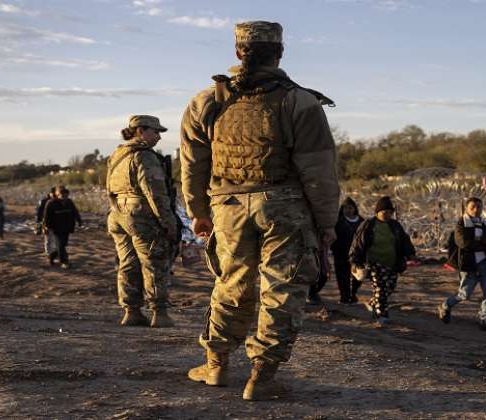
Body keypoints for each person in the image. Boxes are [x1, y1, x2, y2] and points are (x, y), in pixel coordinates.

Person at [180, 21, 339, 401]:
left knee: (231, 283)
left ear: (238, 52)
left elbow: (192, 164)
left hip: (228, 207)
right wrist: (327, 223)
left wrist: (198, 211)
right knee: (282, 290)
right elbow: (319, 172)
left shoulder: (207, 101)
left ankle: (216, 365)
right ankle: (261, 377)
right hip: (284, 208)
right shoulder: (299, 101)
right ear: (279, 52)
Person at [107, 115, 179, 329]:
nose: (158, 137)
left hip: (118, 214)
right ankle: (160, 313)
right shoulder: (145, 156)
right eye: (155, 132)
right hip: (141, 216)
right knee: (154, 263)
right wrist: (169, 222)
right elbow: (156, 194)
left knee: (127, 263)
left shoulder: (117, 155)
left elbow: (109, 190)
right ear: (140, 130)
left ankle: (131, 312)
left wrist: (118, 211)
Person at [349, 196, 416, 327]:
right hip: (375, 263)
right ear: (377, 212)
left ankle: (373, 304)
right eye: (384, 212)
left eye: (390, 213)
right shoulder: (368, 225)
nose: (387, 215)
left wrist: (410, 254)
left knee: (389, 288)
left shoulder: (395, 226)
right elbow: (358, 243)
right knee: (380, 288)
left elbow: (404, 241)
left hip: (392, 263)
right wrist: (355, 260)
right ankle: (382, 315)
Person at [437, 197, 486, 332]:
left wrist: (481, 240)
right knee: (464, 294)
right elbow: (464, 243)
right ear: (466, 208)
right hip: (469, 266)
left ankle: (485, 319)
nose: (476, 209)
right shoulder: (461, 225)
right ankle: (445, 306)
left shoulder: (484, 223)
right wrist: (484, 243)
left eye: (479, 206)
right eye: (472, 206)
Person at [331, 197, 363, 304]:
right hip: (341, 253)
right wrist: (334, 248)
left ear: (354, 208)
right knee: (342, 276)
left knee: (358, 276)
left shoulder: (362, 221)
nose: (348, 210)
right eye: (345, 208)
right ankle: (344, 297)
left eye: (350, 208)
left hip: (358, 254)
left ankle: (353, 294)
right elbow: (332, 236)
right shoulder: (337, 221)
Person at [42, 186, 82, 269]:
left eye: (66, 196)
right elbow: (46, 216)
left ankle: (52, 256)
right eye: (63, 196)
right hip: (56, 228)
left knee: (63, 244)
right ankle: (64, 262)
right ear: (58, 195)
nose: (65, 198)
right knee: (60, 245)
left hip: (67, 227)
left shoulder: (69, 202)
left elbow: (75, 212)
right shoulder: (51, 203)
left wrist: (79, 220)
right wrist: (46, 227)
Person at [36, 186, 58, 262]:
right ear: (50, 193)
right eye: (54, 192)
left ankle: (54, 254)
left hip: (56, 223)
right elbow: (39, 212)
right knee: (48, 239)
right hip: (45, 222)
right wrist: (40, 223)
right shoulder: (44, 201)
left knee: (55, 239)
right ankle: (48, 253)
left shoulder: (58, 201)